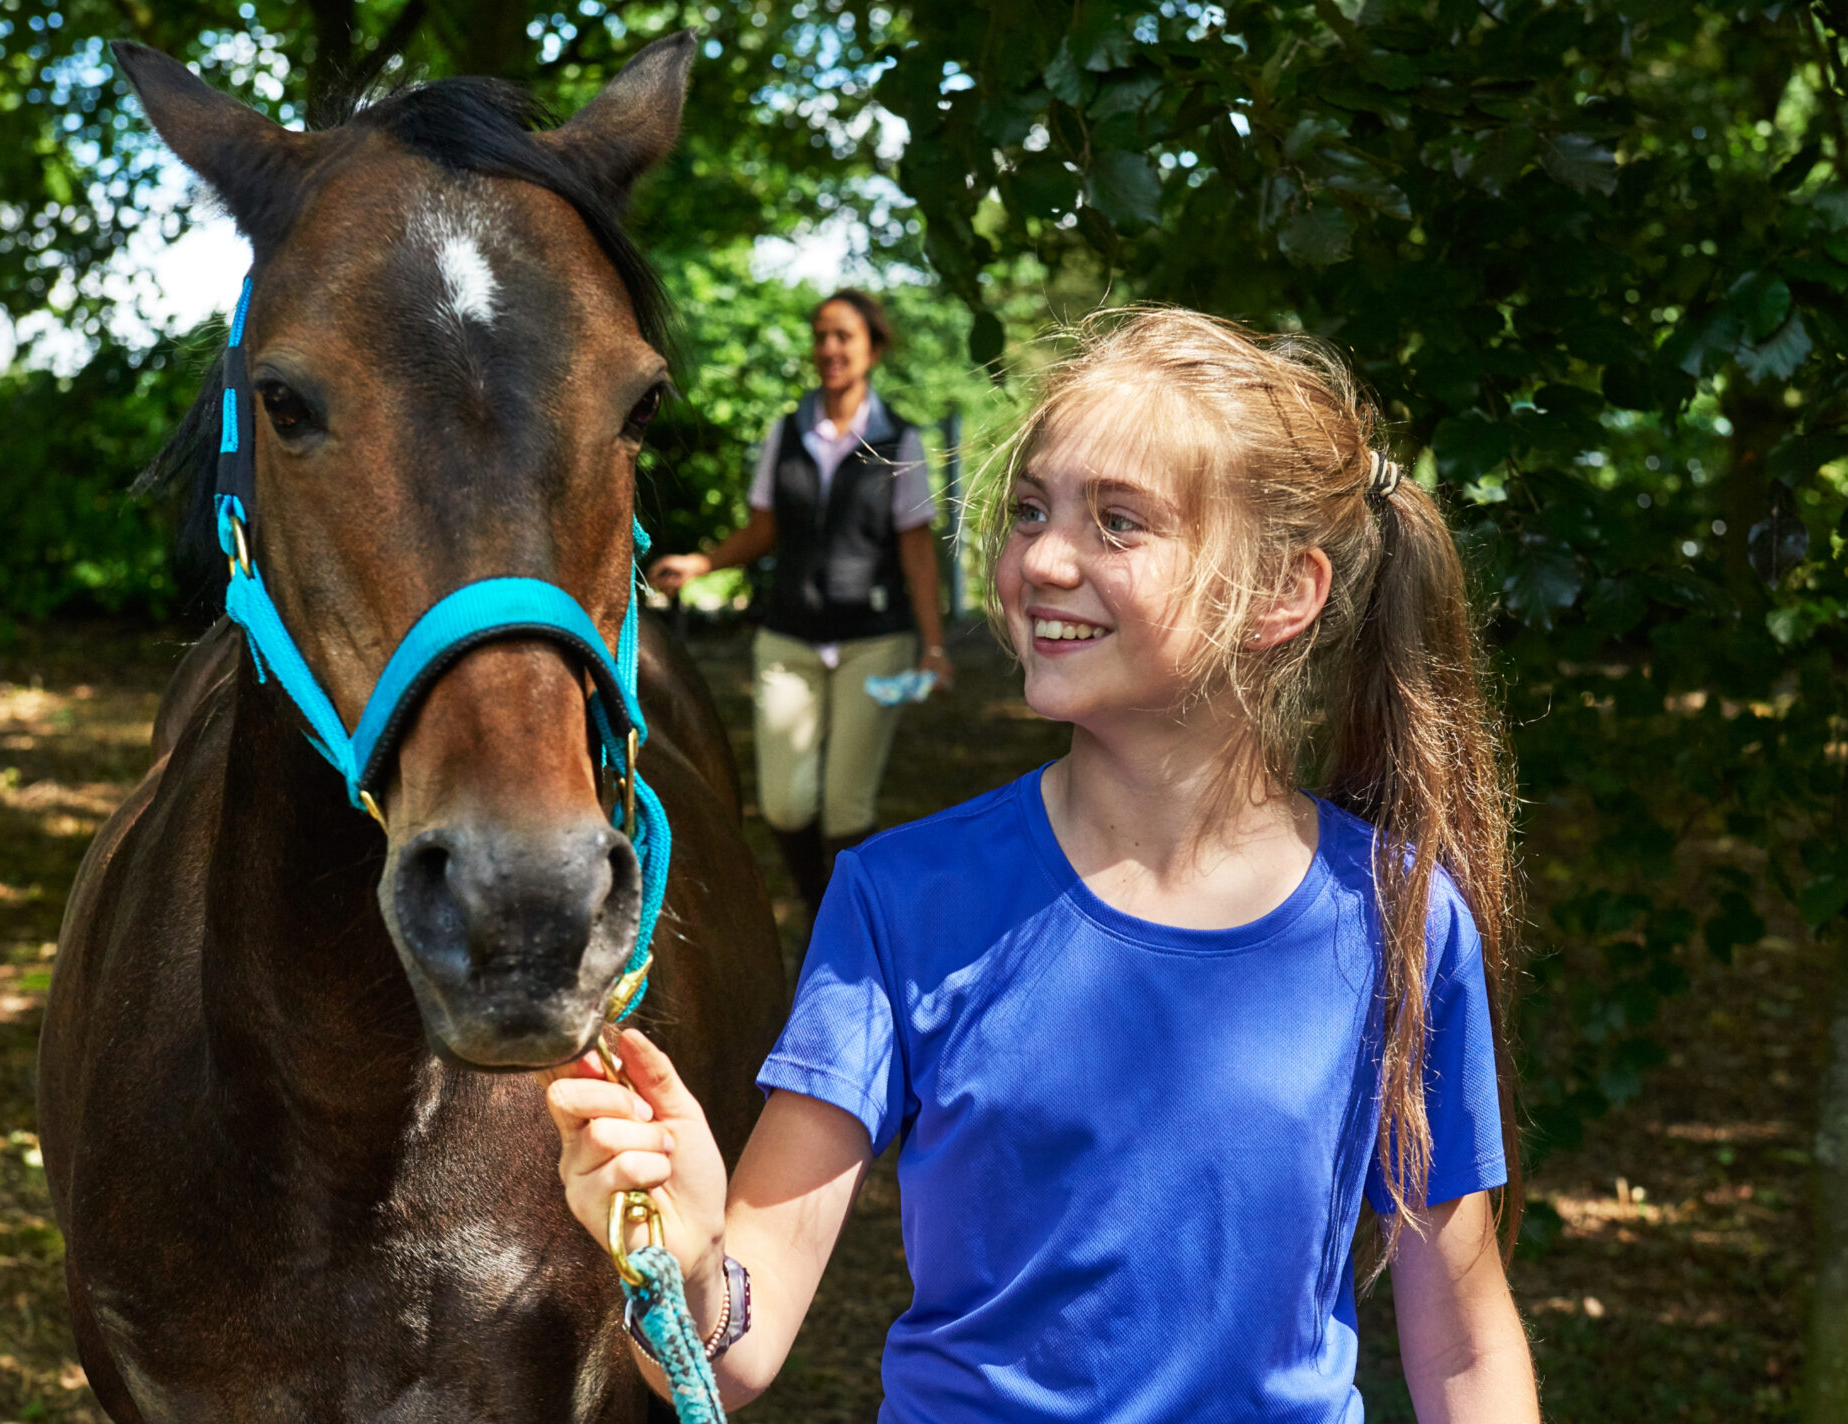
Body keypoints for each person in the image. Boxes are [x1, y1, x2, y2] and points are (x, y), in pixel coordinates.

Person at [554, 308, 1538, 1421]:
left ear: (1280, 594)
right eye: (1031, 509)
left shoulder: (1396, 918)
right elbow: (733, 1349)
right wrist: (681, 1258)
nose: (1040, 559)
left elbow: (1461, 1346)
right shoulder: (902, 900)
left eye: (1117, 522)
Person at [647, 289, 954, 912]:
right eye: (821, 336)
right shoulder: (786, 432)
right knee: (786, 805)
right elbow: (763, 530)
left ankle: (841, 920)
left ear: (872, 347)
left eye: (844, 336)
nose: (830, 349)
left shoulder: (901, 441)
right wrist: (702, 563)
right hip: (788, 636)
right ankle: (821, 906)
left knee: (846, 806)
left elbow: (917, 549)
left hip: (876, 640)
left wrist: (935, 647)